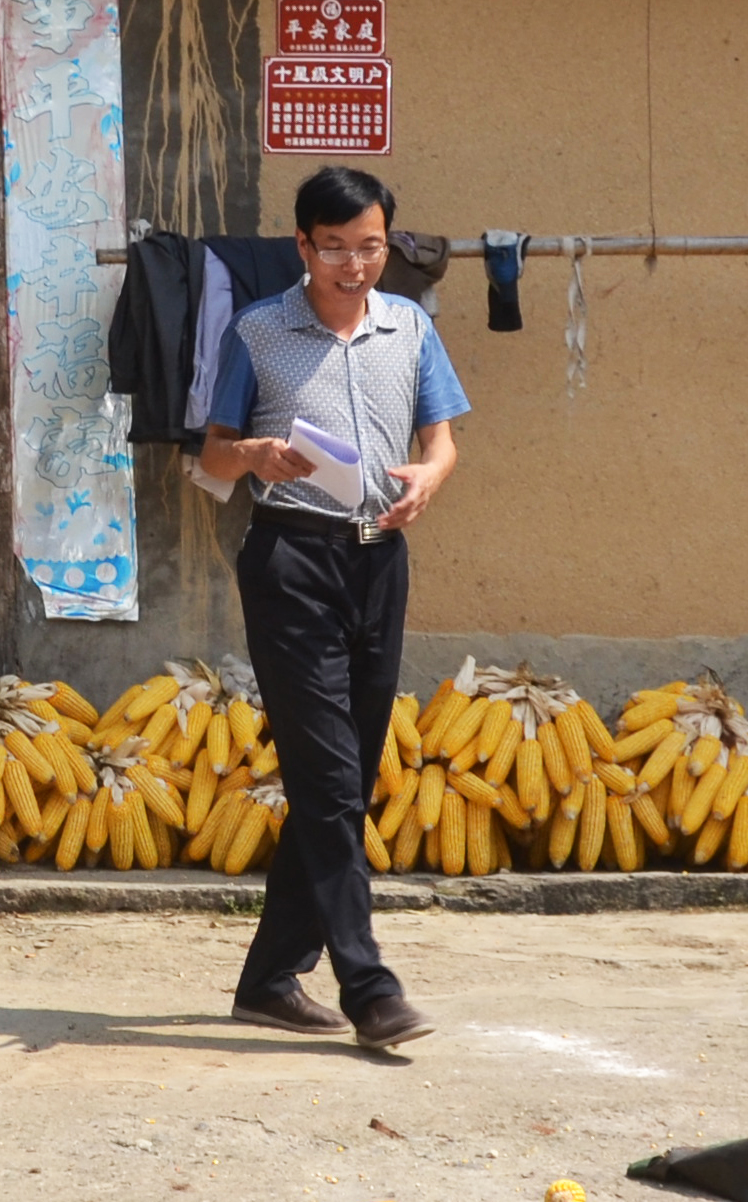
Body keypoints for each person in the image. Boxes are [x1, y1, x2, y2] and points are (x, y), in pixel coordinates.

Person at [196, 165, 467, 1052]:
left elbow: (443, 437)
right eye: (338, 248)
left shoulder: (411, 326)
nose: (357, 265)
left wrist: (429, 477)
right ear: (304, 246)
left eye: (372, 246)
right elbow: (210, 458)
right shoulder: (257, 331)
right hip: (290, 562)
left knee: (346, 777)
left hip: (379, 563)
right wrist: (259, 455)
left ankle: (270, 979)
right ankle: (369, 983)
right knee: (327, 779)